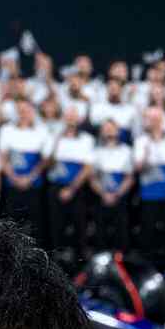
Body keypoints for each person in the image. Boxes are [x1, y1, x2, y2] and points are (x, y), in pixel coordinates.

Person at [133, 107, 165, 272]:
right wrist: (146, 158)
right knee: (148, 231)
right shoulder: (141, 140)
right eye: (151, 119)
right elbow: (138, 167)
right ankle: (147, 268)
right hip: (149, 194)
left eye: (157, 119)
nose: (154, 122)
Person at [45, 110, 96, 260]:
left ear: (78, 119)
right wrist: (56, 143)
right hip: (55, 187)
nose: (71, 119)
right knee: (56, 224)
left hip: (77, 188)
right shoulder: (53, 137)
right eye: (68, 116)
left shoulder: (87, 139)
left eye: (73, 116)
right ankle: (56, 259)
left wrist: (71, 189)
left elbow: (87, 168)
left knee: (79, 224)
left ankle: (80, 259)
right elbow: (47, 164)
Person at [0, 102, 51, 243]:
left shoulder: (42, 131)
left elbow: (45, 160)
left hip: (34, 186)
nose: (24, 114)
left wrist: (30, 178)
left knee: (36, 225)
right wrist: (14, 177)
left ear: (33, 112)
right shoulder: (6, 129)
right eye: (21, 110)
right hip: (11, 185)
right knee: (11, 225)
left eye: (27, 110)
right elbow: (2, 158)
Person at [89, 120, 135, 255]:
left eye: (111, 128)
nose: (109, 131)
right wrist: (103, 194)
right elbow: (92, 178)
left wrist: (117, 194)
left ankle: (121, 260)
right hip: (100, 196)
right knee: (100, 231)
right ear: (101, 132)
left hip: (120, 196)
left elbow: (130, 178)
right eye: (106, 128)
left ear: (118, 131)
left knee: (121, 231)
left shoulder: (127, 150)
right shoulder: (96, 151)